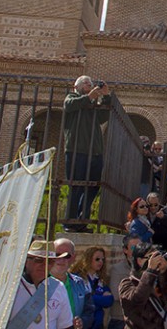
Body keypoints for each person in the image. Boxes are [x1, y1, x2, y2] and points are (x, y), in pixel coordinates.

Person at [63, 75, 111, 231]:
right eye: (85, 83)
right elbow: (69, 105)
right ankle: (69, 222)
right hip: (77, 150)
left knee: (92, 186)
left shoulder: (92, 105)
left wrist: (106, 96)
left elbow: (104, 116)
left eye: (90, 84)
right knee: (76, 185)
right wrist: (88, 97)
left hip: (95, 152)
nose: (89, 85)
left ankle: (82, 220)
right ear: (76, 86)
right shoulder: (72, 97)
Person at [10, 240, 73, 329]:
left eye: (50, 262)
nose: (45, 265)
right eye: (39, 260)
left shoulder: (58, 287)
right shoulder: (11, 286)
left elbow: (65, 325)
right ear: (27, 260)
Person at [119, 242, 167, 329]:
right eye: (151, 257)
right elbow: (136, 301)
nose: (156, 260)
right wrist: (150, 271)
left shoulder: (158, 278)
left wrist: (165, 271)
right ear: (139, 260)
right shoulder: (127, 283)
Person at [50, 238, 95, 329]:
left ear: (74, 258)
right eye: (57, 255)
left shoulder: (80, 283)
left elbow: (89, 311)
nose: (61, 259)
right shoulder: (39, 282)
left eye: (66, 256)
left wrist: (82, 321)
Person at [71, 246, 114, 329]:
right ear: (88, 259)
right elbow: (83, 300)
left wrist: (95, 299)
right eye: (97, 259)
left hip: (98, 324)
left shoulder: (100, 279)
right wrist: (100, 298)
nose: (100, 262)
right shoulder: (78, 279)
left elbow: (109, 300)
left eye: (102, 259)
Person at [107, 234, 141, 329]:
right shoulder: (117, 269)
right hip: (121, 320)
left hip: (141, 320)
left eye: (140, 247)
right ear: (125, 250)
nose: (138, 250)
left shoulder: (147, 269)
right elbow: (117, 295)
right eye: (134, 247)